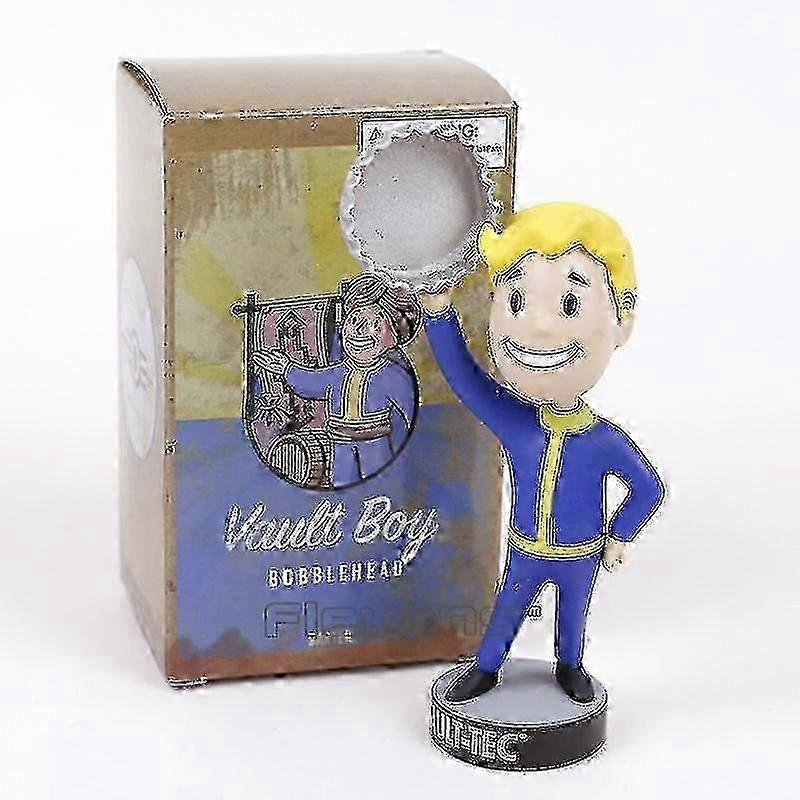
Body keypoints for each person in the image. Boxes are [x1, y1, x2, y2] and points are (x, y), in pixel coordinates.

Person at [421, 202, 664, 704]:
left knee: (574, 614)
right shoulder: (516, 424)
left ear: (621, 323)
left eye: (569, 304)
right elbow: (467, 380)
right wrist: (438, 314)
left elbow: (648, 487)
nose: (539, 330)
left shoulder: (602, 439)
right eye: (517, 300)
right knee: (506, 610)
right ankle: (486, 668)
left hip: (582, 553)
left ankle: (570, 665)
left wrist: (619, 535)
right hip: (525, 550)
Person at [255, 274, 420, 487]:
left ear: (394, 336)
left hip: (374, 443)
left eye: (374, 325)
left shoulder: (393, 376)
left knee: (380, 484)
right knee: (342, 483)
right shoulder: (338, 373)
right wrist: (285, 368)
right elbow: (312, 382)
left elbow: (412, 412)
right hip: (340, 443)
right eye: (354, 321)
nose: (359, 331)